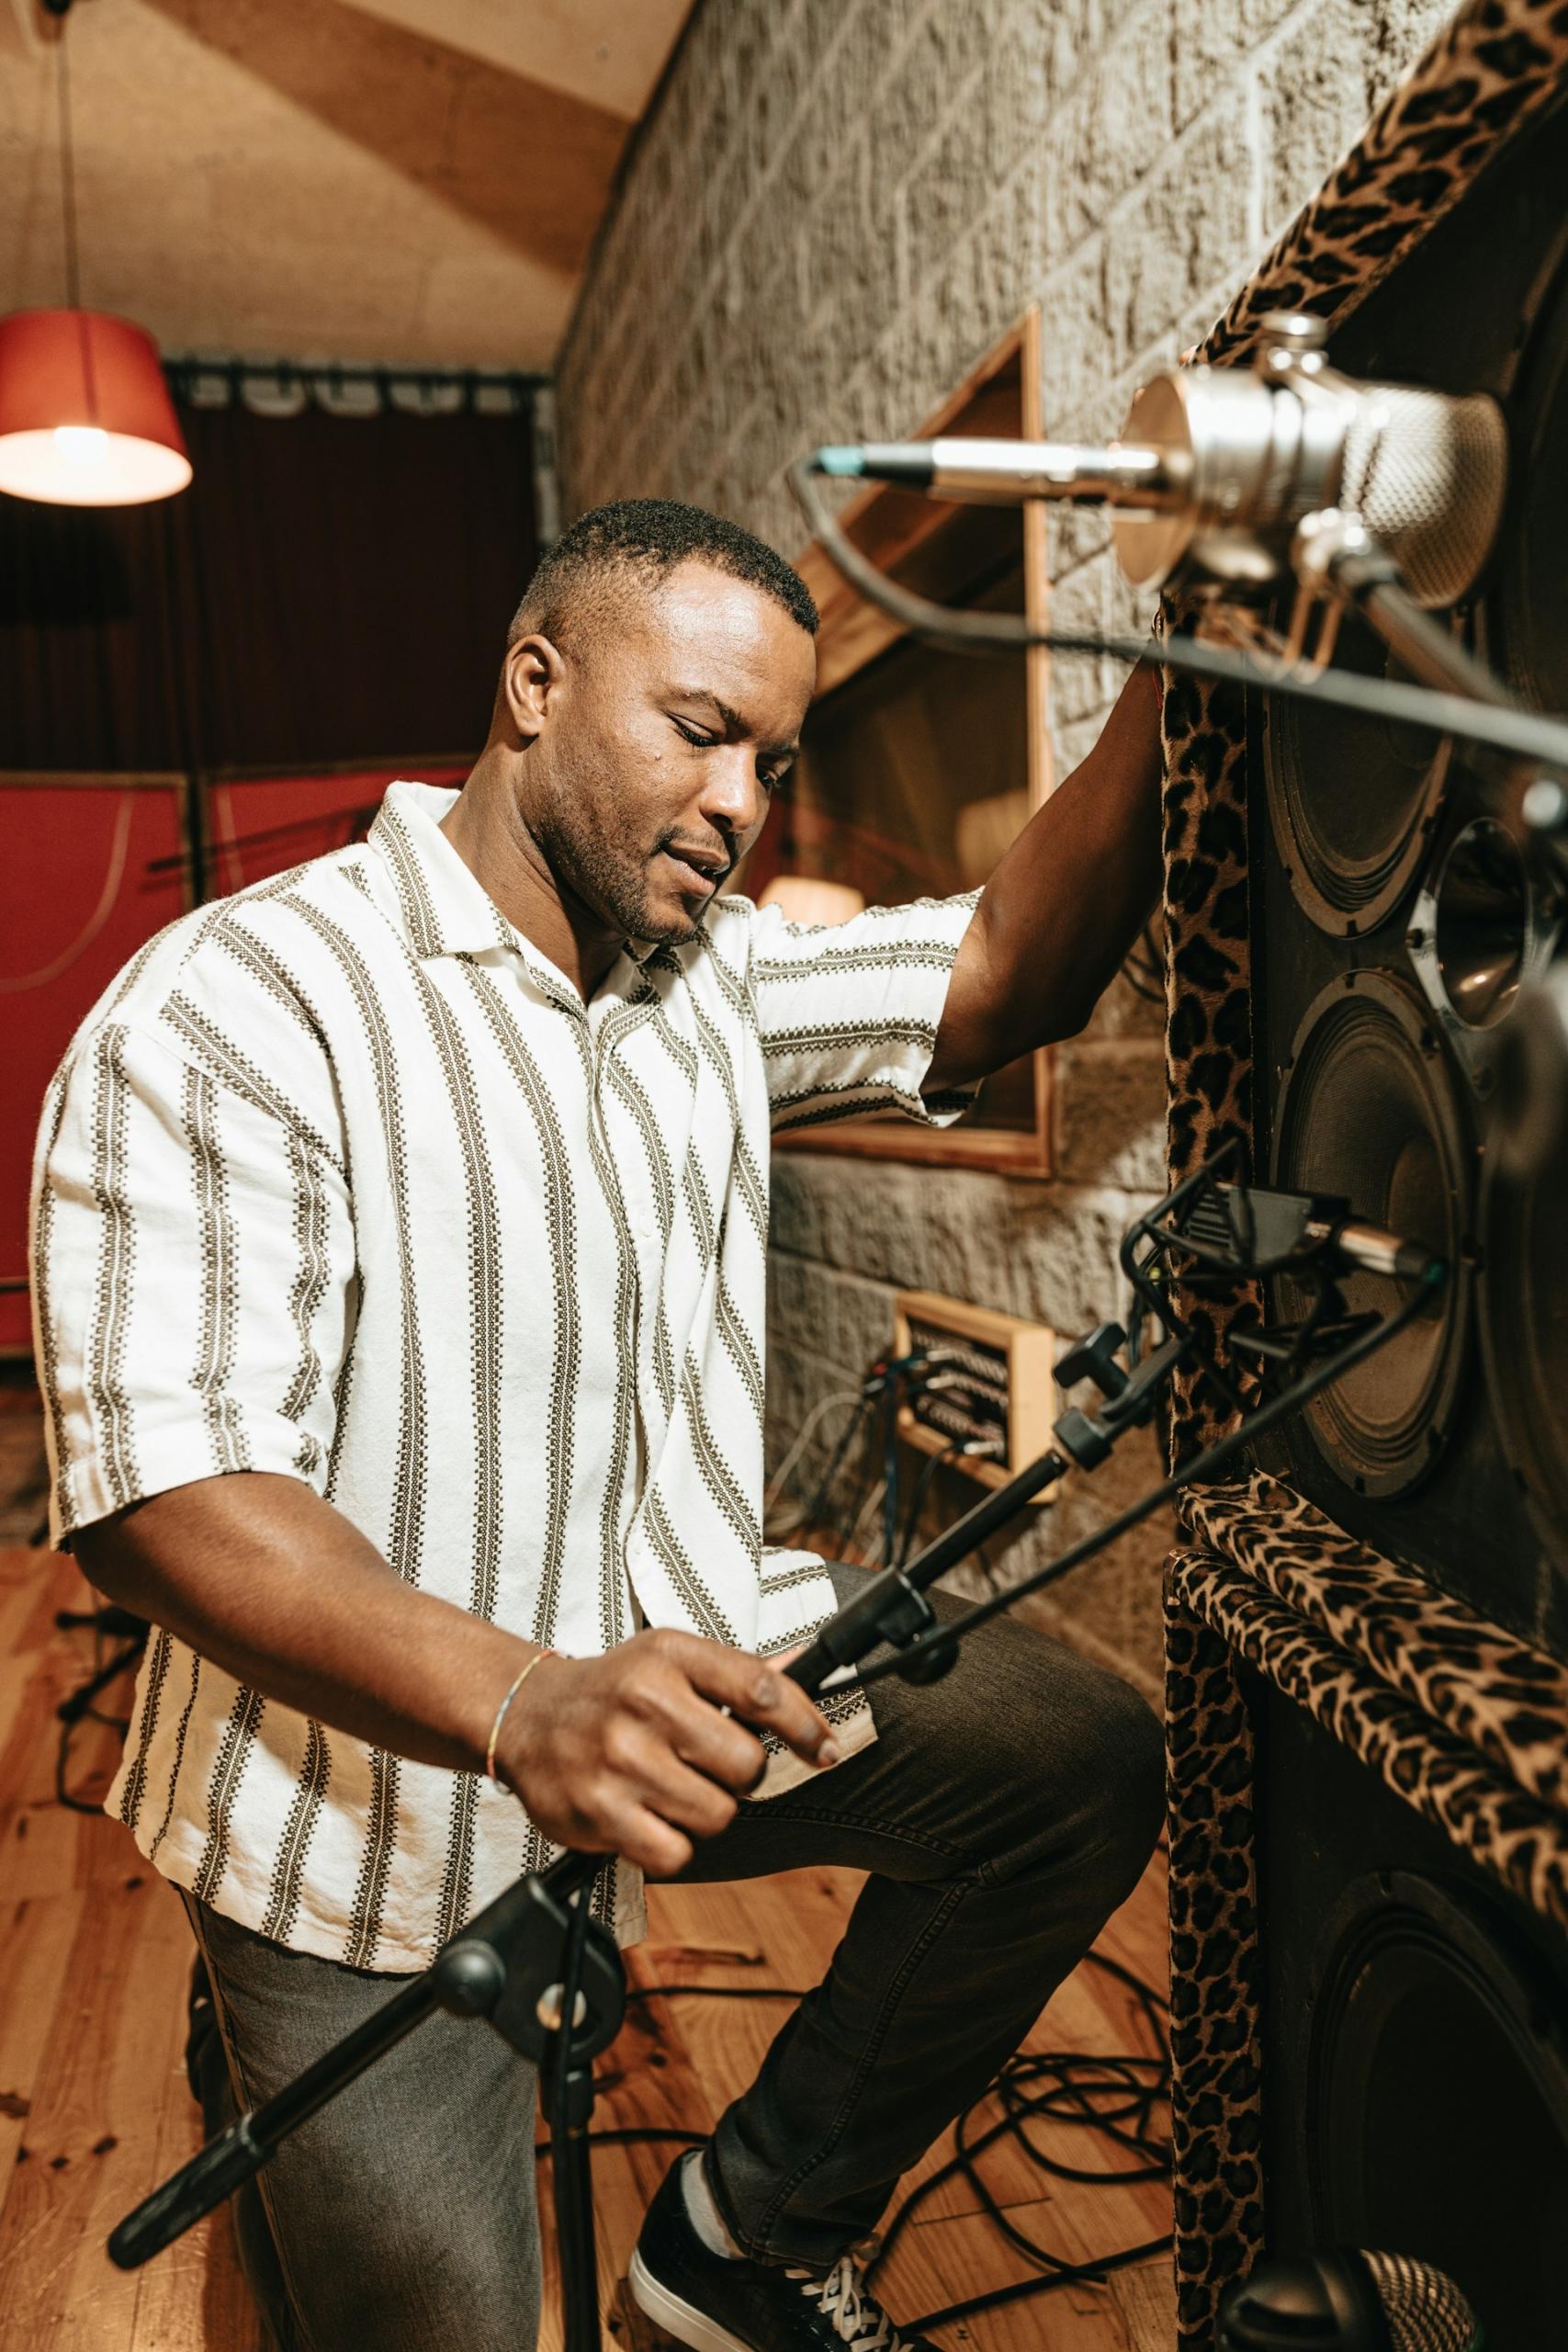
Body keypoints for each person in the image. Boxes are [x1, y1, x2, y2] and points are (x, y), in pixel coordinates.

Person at [31, 498, 1167, 2352]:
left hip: (673, 1690)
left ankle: (738, 2234)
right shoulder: (241, 1000)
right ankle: (253, 2037)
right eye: (699, 728)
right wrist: (518, 1699)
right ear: (531, 683)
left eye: (776, 762)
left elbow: (999, 976)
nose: (742, 801)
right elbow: (168, 1491)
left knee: (1076, 1757)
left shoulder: (701, 983)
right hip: (368, 1829)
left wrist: (1195, 653)